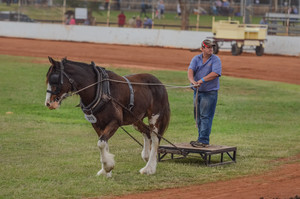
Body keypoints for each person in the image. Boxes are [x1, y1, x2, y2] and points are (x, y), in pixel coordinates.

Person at [188, 39, 222, 147]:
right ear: (202, 48)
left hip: (209, 92)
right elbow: (190, 70)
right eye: (208, 47)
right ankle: (200, 139)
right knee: (197, 116)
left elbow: (215, 73)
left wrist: (201, 80)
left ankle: (203, 140)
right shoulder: (196, 58)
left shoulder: (215, 59)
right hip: (197, 91)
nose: (211, 49)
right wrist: (192, 81)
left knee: (205, 116)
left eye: (212, 47)